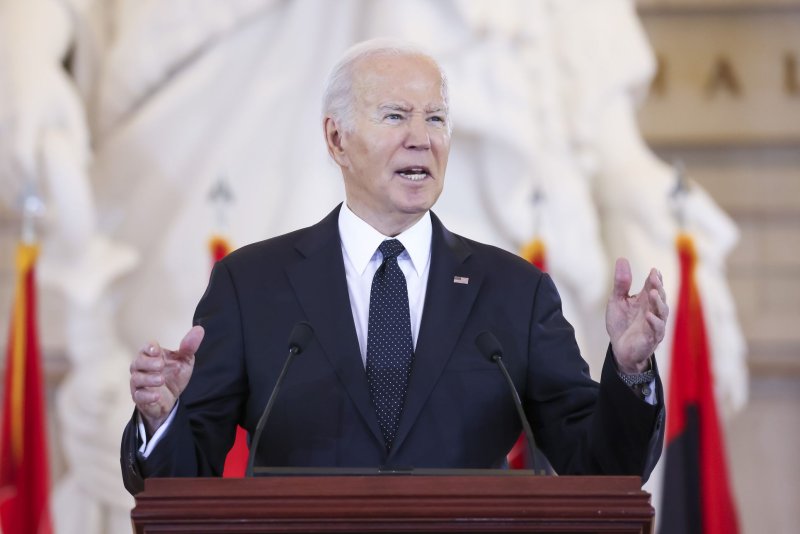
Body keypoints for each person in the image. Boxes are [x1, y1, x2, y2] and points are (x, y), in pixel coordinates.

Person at [121, 40, 668, 495]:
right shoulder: (251, 286)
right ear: (337, 139)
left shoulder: (514, 292)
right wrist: (161, 418)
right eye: (395, 116)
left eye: (435, 118)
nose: (422, 138)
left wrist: (630, 371)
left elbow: (598, 472)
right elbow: (183, 486)